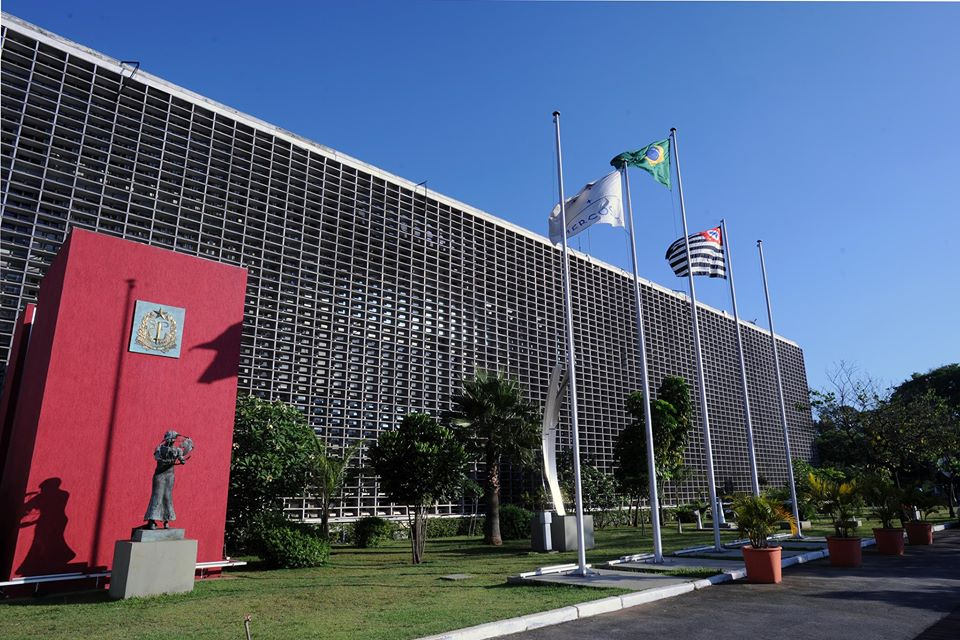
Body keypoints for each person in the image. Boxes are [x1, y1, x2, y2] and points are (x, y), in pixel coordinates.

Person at [143, 430, 187, 529]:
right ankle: (152, 520)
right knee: (157, 496)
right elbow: (158, 458)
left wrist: (182, 460)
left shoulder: (177, 450)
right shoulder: (159, 448)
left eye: (173, 439)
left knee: (167, 497)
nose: (171, 441)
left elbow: (181, 459)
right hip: (160, 475)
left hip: (169, 476)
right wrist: (167, 461)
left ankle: (167, 519)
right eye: (170, 439)